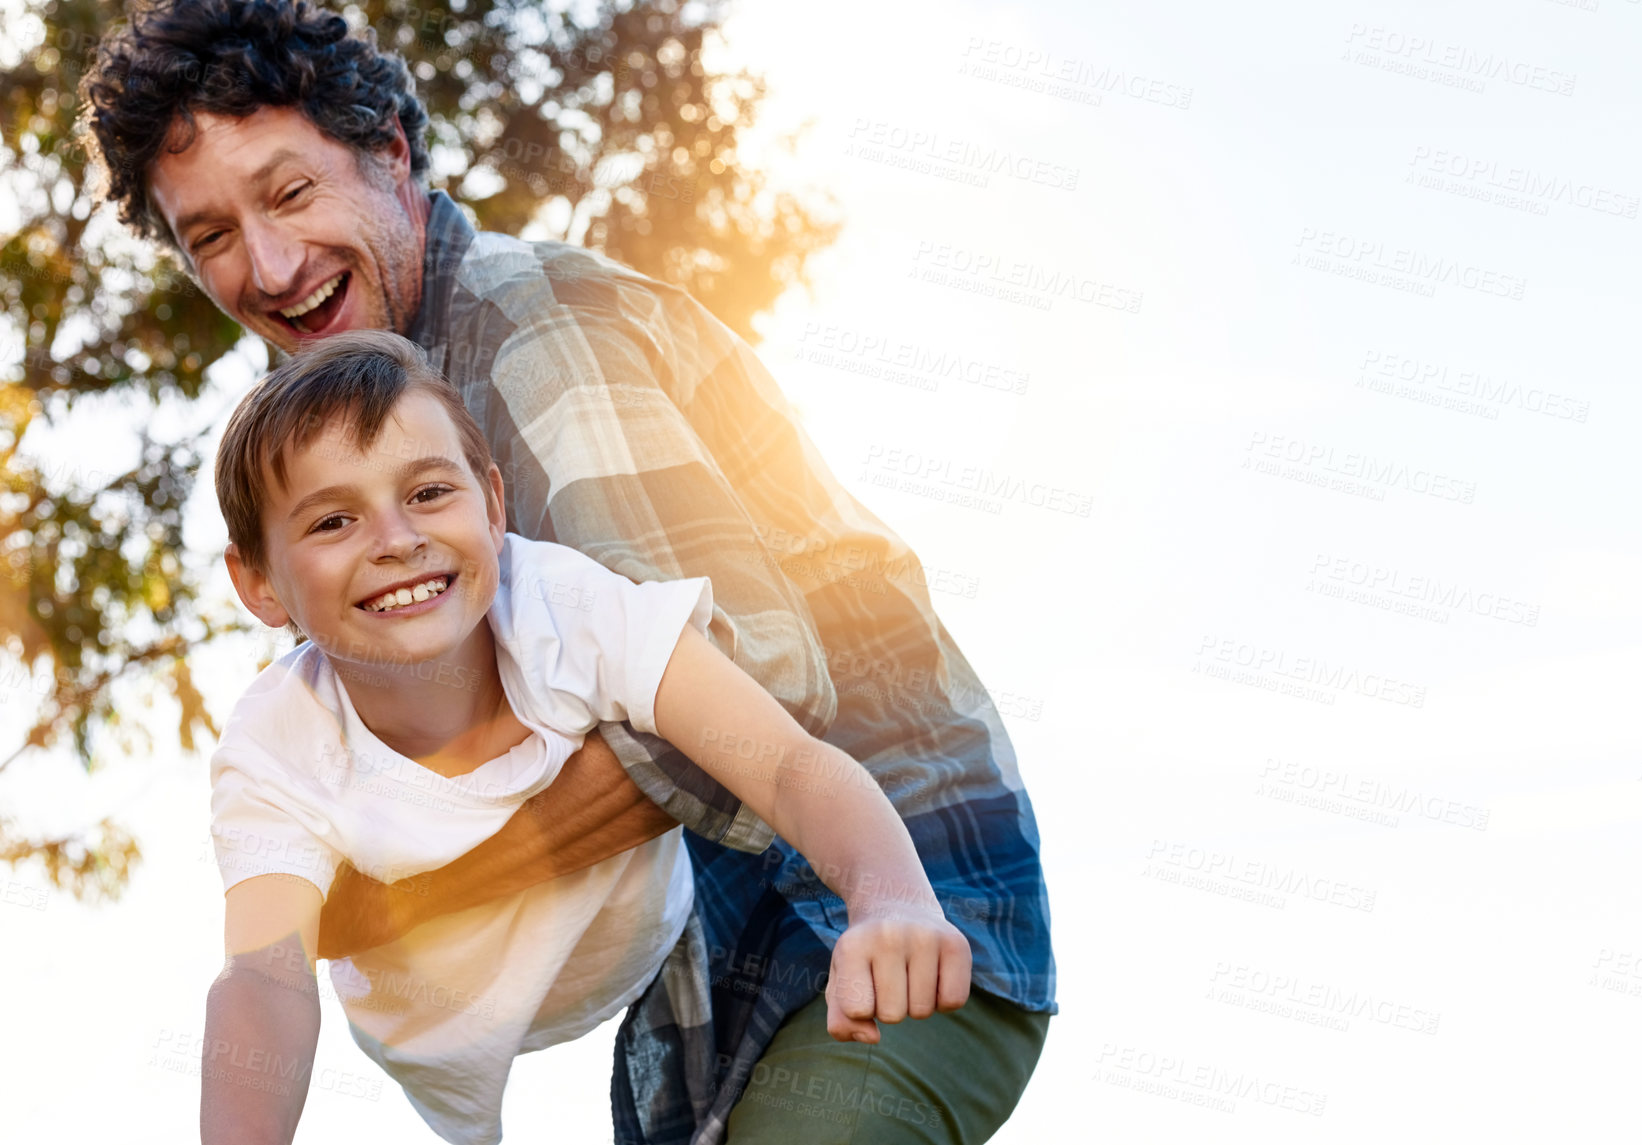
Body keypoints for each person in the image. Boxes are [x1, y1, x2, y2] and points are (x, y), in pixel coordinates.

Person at [82, 2, 1055, 1141]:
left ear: (391, 153)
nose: (271, 265)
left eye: (291, 193)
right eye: (211, 236)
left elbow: (752, 677)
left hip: (878, 916)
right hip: (711, 1008)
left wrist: (419, 889)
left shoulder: (522, 329)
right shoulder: (372, 455)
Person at [203, 328, 972, 1145]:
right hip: (439, 1020)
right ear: (258, 583)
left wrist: (889, 896)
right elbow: (264, 974)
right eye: (332, 521)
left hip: (648, 927)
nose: (396, 539)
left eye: (429, 494)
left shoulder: (560, 605)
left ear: (494, 506)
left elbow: (785, 764)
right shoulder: (274, 743)